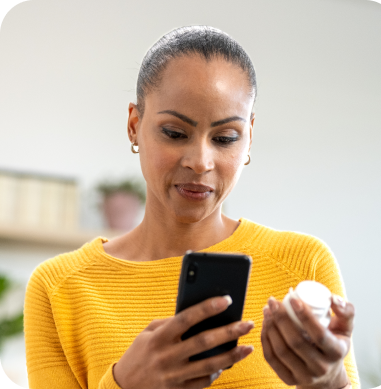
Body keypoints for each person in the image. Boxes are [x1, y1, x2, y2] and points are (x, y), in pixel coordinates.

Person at [24, 26, 359, 389]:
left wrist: (331, 381)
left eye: (225, 138)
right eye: (174, 132)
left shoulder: (303, 264)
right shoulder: (58, 287)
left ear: (249, 138)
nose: (200, 161)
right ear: (134, 125)